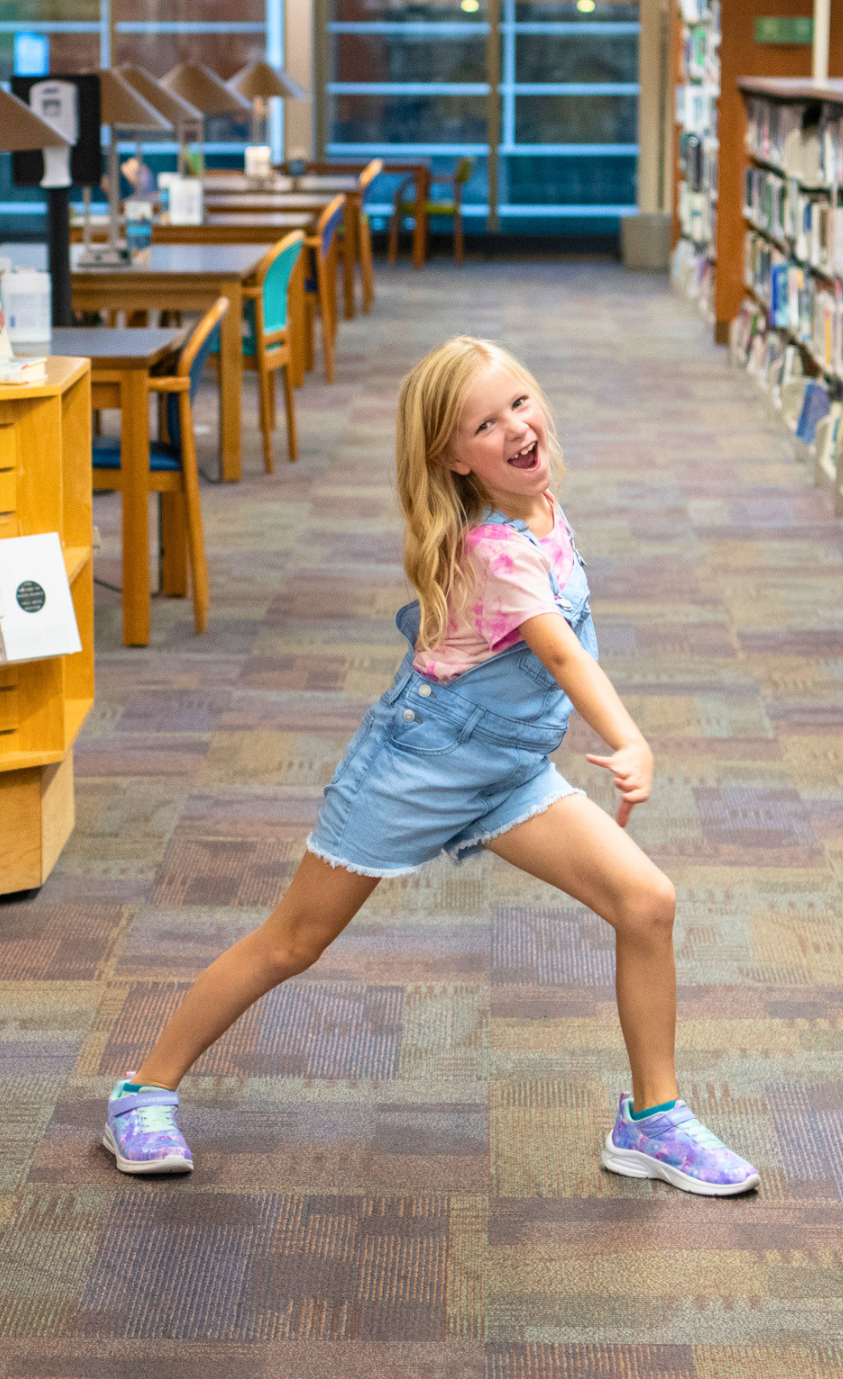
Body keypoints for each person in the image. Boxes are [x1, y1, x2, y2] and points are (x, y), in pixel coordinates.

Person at [101, 336, 758, 1196]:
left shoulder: (545, 506)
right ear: (453, 458)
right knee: (293, 941)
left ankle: (653, 1121)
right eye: (485, 425)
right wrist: (631, 739)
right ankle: (141, 1091)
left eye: (519, 403)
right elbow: (561, 657)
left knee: (647, 901)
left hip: (509, 770)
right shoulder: (492, 548)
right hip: (417, 766)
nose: (517, 429)